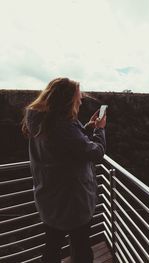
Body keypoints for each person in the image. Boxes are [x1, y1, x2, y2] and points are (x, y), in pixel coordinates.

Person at [21, 77, 107, 263]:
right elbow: (96, 153)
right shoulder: (63, 126)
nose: (81, 100)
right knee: (81, 247)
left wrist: (87, 128)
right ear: (67, 99)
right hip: (72, 202)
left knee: (52, 245)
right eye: (78, 96)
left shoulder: (43, 121)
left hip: (49, 198)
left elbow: (68, 146)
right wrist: (99, 130)